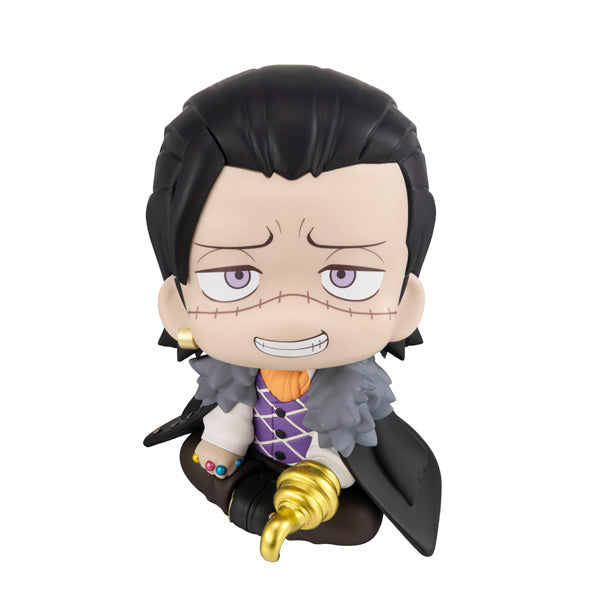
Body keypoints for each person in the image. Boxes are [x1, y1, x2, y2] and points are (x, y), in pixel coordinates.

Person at [144, 65, 440, 561]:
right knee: (195, 454)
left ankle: (276, 510)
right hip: (251, 454)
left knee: (359, 521)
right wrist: (222, 444)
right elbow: (231, 410)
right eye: (235, 277)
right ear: (178, 305)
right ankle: (249, 501)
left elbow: (349, 441)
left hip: (320, 471)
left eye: (345, 276)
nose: (291, 314)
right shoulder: (232, 372)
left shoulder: (353, 393)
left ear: (404, 305)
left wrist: (319, 480)